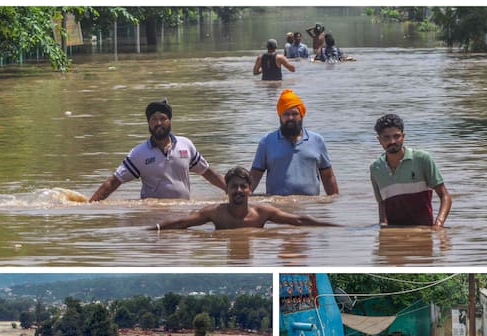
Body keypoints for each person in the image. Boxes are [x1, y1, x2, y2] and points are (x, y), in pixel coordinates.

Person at [89, 100, 226, 201]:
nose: (158, 123)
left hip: (182, 211)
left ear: (170, 121)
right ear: (148, 123)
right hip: (152, 214)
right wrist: (90, 205)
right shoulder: (139, 153)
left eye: (163, 118)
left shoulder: (185, 145)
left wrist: (230, 189)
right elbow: (114, 181)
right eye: (154, 119)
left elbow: (207, 172)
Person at [151, 166, 335, 231]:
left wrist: (333, 227)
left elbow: (298, 220)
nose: (238, 190)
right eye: (233, 187)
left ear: (249, 190)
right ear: (227, 190)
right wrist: (153, 229)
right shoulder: (215, 213)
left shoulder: (262, 212)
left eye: (243, 186)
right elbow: (181, 223)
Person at [251, 89, 339, 196]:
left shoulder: (317, 141)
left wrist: (335, 205)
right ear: (280, 116)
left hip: (311, 208)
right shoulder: (267, 142)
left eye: (294, 114)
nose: (290, 118)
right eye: (286, 114)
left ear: (301, 115)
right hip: (278, 209)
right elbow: (254, 177)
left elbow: (327, 176)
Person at [371, 114, 452, 228]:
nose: (392, 141)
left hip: (423, 231)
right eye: (386, 137)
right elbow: (382, 202)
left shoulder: (422, 159)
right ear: (379, 140)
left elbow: (445, 196)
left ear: (403, 136)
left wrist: (438, 224)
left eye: (396, 136)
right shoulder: (376, 168)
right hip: (393, 234)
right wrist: (383, 228)